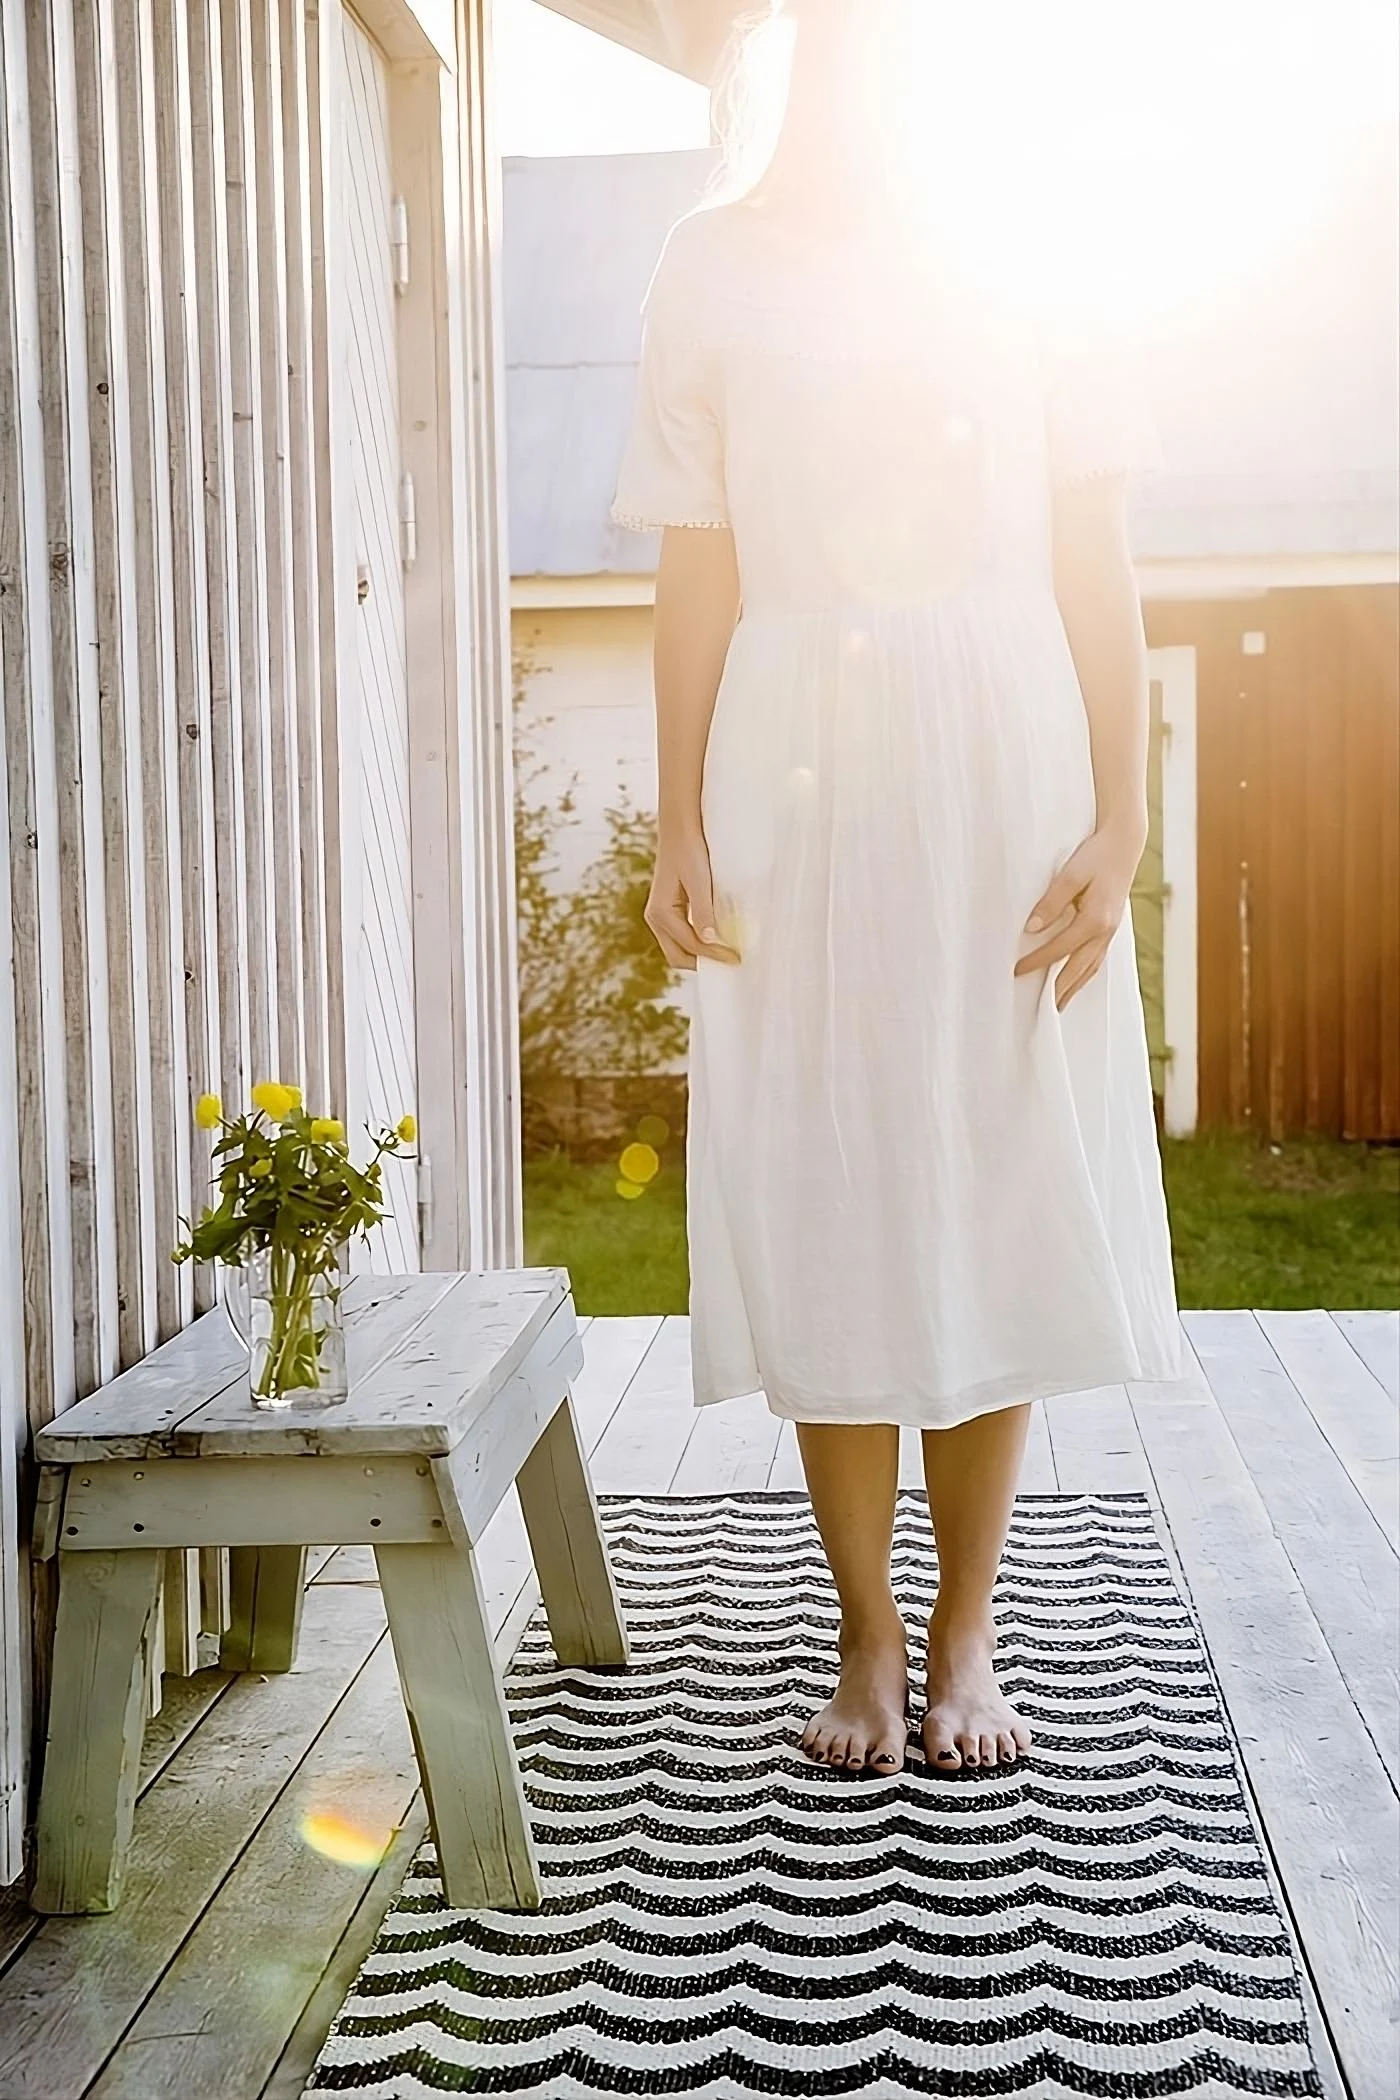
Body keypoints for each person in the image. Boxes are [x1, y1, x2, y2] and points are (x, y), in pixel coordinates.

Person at [610, 0, 1186, 1777]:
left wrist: (1123, 817)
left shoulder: (1035, 256)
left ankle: (964, 1635)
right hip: (798, 765)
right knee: (838, 1178)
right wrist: (680, 819)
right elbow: (694, 569)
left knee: (992, 1169)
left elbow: (1096, 548)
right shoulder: (709, 267)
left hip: (1001, 764)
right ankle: (865, 1630)